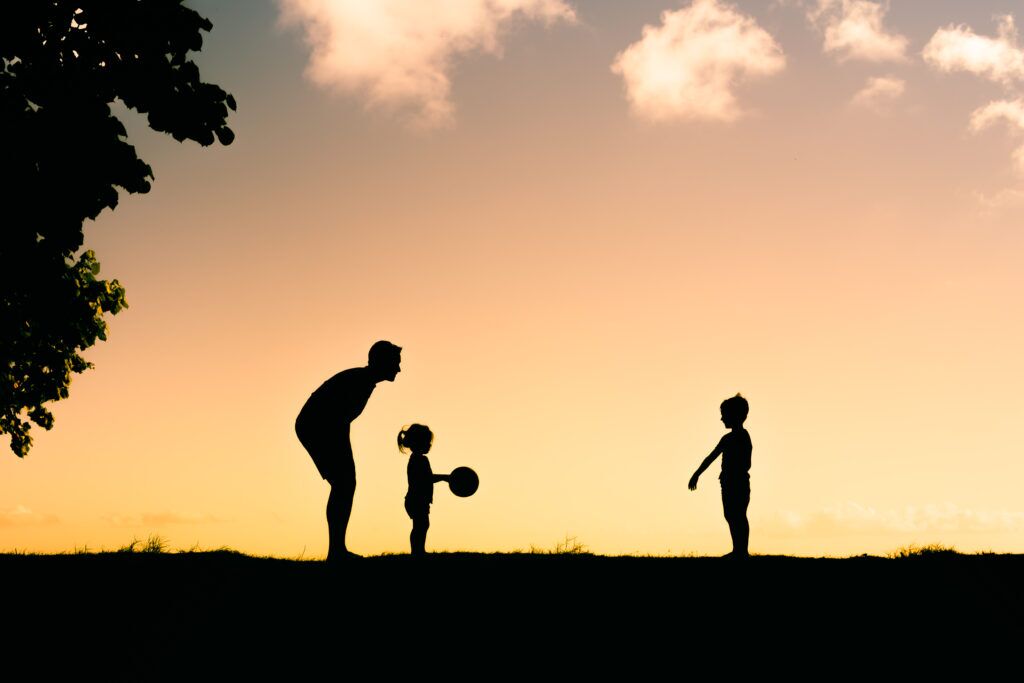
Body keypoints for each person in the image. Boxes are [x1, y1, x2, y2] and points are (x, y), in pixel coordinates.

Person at [295, 340, 401, 562]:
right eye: (396, 363)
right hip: (316, 427)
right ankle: (336, 551)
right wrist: (343, 452)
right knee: (345, 484)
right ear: (383, 362)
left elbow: (342, 418)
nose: (399, 369)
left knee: (345, 484)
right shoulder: (359, 381)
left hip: (322, 427)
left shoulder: (365, 381)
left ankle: (337, 550)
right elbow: (336, 417)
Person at [688, 394, 752, 558]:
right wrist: (697, 474)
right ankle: (737, 549)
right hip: (727, 483)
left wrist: (734, 472)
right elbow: (711, 457)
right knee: (730, 514)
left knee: (738, 514)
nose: (722, 418)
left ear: (735, 415)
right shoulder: (727, 438)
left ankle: (741, 551)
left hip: (738, 482)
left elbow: (746, 462)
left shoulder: (743, 437)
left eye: (724, 415)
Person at [398, 424, 449, 556]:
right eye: (427, 442)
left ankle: (418, 550)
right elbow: (426, 478)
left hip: (417, 499)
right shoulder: (419, 460)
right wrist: (445, 477)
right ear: (419, 442)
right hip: (416, 499)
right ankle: (417, 551)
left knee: (421, 525)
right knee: (420, 525)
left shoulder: (417, 459)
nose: (429, 445)